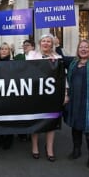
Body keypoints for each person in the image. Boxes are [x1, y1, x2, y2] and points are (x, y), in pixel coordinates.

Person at [63, 40, 89, 168]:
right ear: (78, 49)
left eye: (86, 47)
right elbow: (59, 57)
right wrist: (56, 44)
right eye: (81, 47)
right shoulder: (73, 63)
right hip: (75, 100)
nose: (83, 49)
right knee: (76, 126)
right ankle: (77, 150)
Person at [27, 34, 62, 162]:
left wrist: (66, 93)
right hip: (35, 92)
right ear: (40, 43)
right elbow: (26, 70)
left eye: (48, 41)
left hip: (52, 93)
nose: (46, 43)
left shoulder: (58, 57)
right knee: (36, 119)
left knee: (51, 121)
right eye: (43, 41)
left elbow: (63, 77)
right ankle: (35, 146)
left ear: (52, 44)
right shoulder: (32, 55)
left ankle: (50, 148)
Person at [0, 42, 14, 150]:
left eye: (6, 49)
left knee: (9, 118)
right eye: (2, 49)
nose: (4, 51)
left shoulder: (13, 63)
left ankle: (9, 139)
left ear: (9, 51)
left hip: (9, 94)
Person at [14, 39, 35, 141]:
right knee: (21, 111)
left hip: (33, 88)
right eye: (24, 45)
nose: (25, 46)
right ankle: (22, 134)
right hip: (20, 87)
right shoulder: (18, 57)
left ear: (33, 47)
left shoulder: (38, 57)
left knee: (31, 111)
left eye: (27, 45)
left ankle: (31, 132)